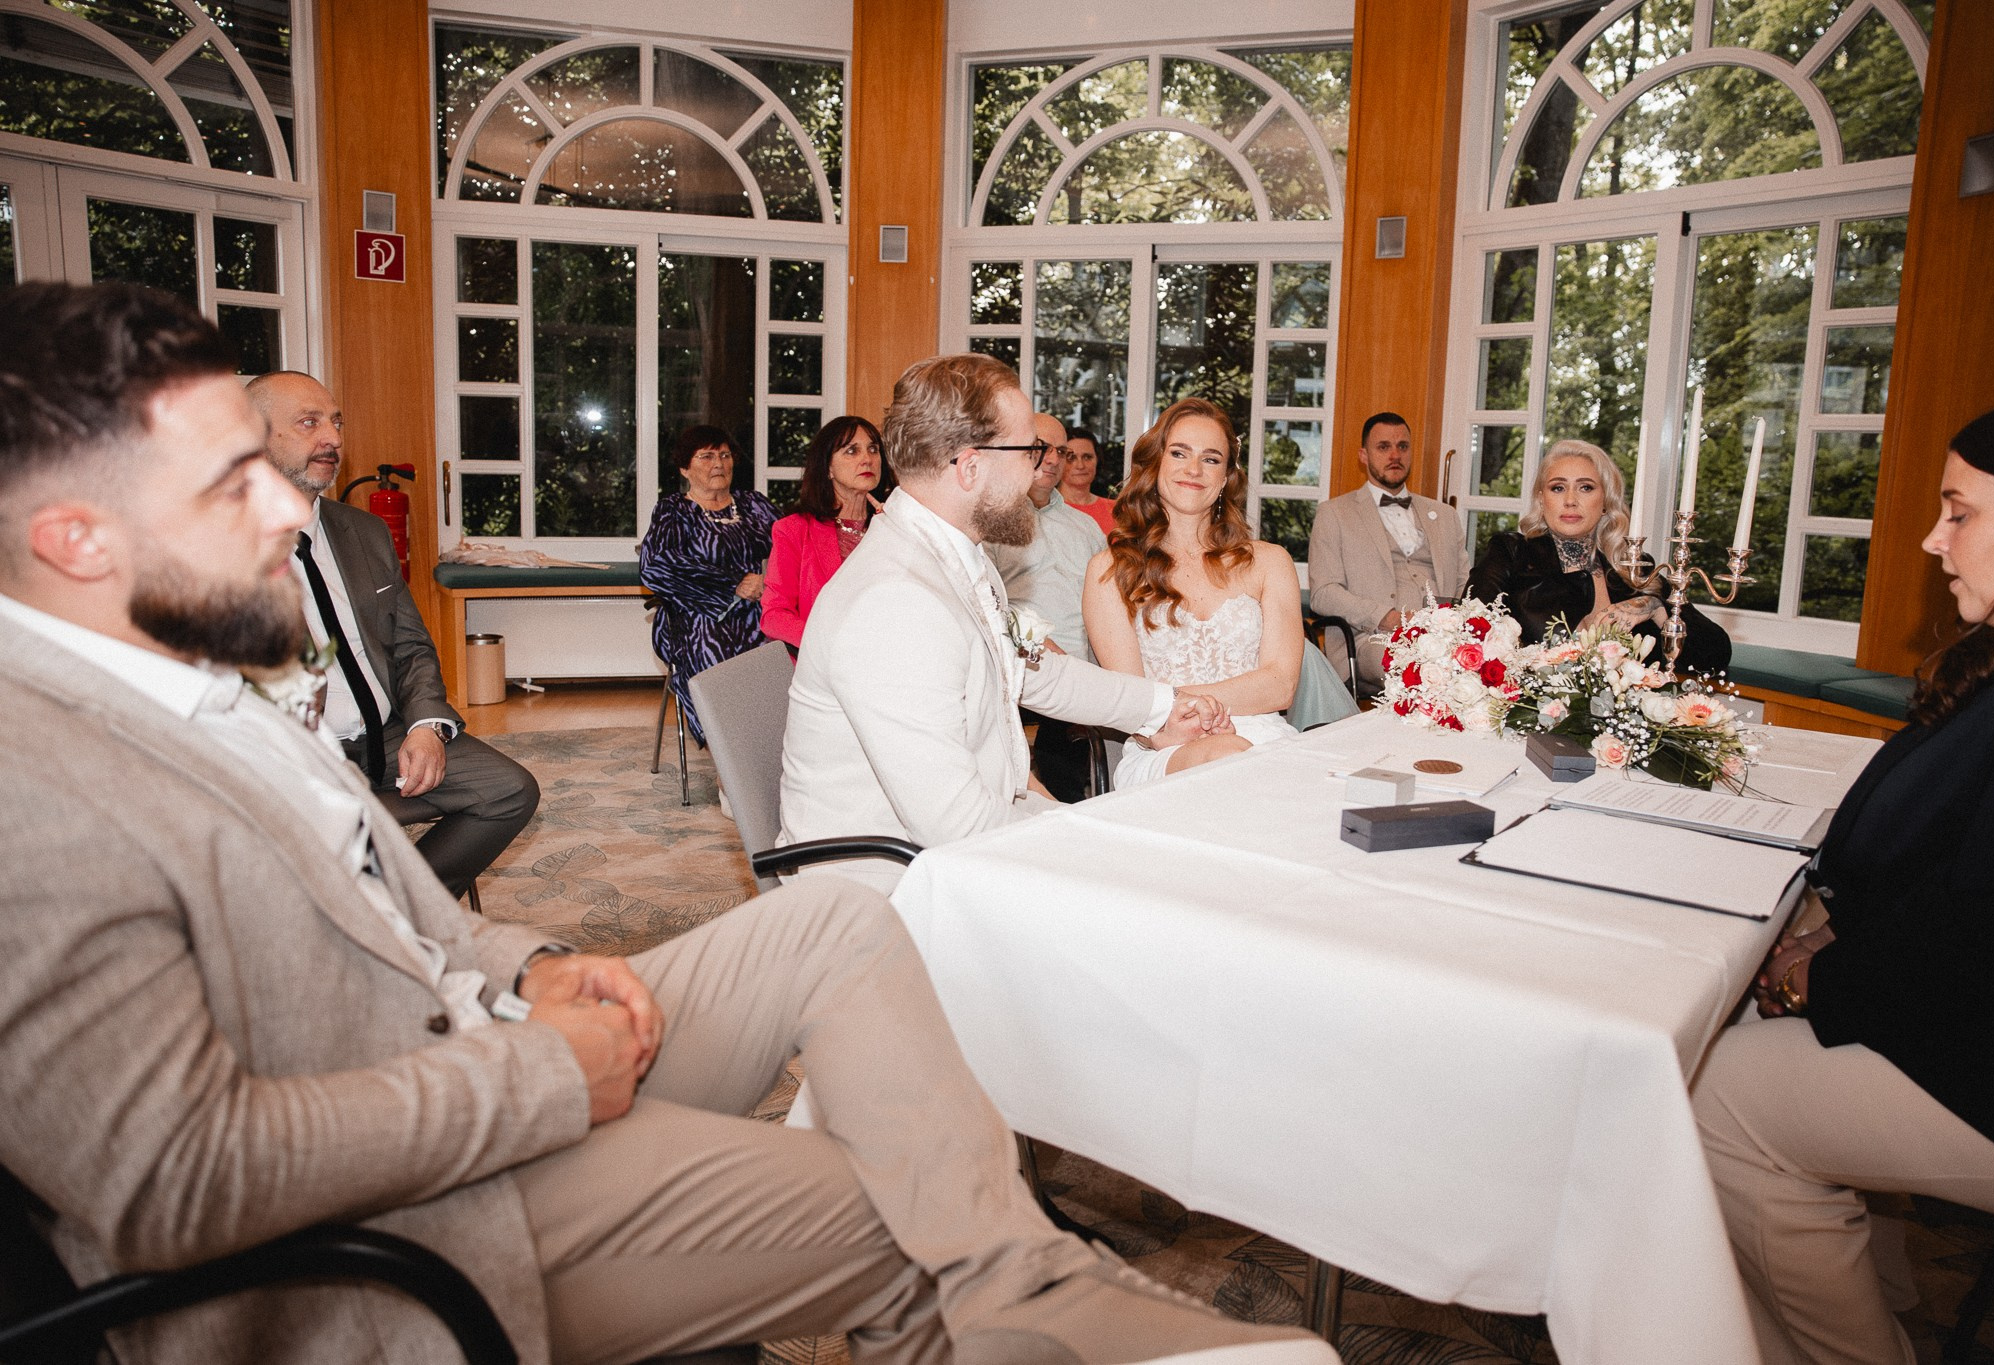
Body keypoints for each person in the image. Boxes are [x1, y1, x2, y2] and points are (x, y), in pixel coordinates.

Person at [0, 283, 1337, 1365]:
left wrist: (522, 965)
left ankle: (1035, 1296)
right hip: (413, 1212)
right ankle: (1043, 1303)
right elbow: (172, 1182)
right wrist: (539, 1069)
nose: (298, 505)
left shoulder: (183, 686)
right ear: (76, 539)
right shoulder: (40, 789)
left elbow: (390, 919)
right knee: (902, 1202)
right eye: (236, 483)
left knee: (827, 929)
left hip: (481, 1037)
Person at [1691, 390, 1994, 1365]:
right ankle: (1885, 1305)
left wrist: (1824, 974)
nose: (1933, 541)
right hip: (1990, 1009)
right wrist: (1832, 933)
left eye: (1959, 511)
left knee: (1710, 1095)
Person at [778, 354, 1233, 889]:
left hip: (948, 846)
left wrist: (1163, 708)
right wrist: (1084, 837)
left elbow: (1038, 670)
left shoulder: (958, 556)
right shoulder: (895, 603)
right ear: (970, 467)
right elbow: (954, 824)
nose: (1042, 466)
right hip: (883, 888)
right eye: (1029, 450)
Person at [245, 370, 540, 895]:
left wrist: (427, 725)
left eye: (335, 422)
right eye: (309, 423)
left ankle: (406, 910)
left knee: (509, 791)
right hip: (298, 756)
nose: (332, 438)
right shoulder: (215, 549)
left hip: (388, 736)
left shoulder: (363, 531)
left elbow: (410, 647)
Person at [1083, 397, 1303, 788]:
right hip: (1163, 745)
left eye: (1211, 458)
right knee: (1232, 759)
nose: (1194, 469)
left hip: (1263, 738)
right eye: (1179, 453)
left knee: (1255, 762)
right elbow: (1129, 701)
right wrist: (1173, 714)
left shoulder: (1271, 562)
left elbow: (1281, 685)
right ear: (1156, 464)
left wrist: (1172, 698)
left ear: (1226, 478)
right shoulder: (1110, 570)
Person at [1465, 438, 1731, 673]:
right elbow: (1465, 636)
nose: (1570, 500)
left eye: (1586, 488)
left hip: (1628, 722)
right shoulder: (1510, 553)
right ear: (1541, 498)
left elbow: (1715, 654)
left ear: (1606, 502)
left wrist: (1654, 607)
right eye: (1558, 488)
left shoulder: (1635, 568)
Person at [988, 411, 1111, 802]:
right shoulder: (991, 522)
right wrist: (1042, 647)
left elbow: (1111, 601)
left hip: (1090, 668)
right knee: (1063, 753)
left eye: (1060, 450)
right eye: (1042, 447)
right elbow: (986, 604)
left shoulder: (1085, 526)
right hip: (1026, 668)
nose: (1055, 459)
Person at [639, 424, 778, 744]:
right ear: (685, 468)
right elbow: (655, 566)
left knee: (790, 648)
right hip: (697, 617)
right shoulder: (672, 511)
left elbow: (792, 545)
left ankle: (769, 743)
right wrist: (733, 583)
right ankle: (731, 749)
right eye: (707, 456)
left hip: (760, 611)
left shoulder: (754, 505)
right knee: (715, 652)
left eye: (725, 455)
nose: (719, 463)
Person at [1307, 411, 1467, 684]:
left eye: (1402, 446)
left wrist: (1462, 626)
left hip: (1442, 635)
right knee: (1410, 665)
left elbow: (1465, 582)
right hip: (1371, 638)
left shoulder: (1444, 515)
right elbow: (1323, 594)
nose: (1395, 455)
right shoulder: (1334, 514)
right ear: (1364, 455)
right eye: (1383, 447)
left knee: (1486, 662)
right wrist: (1386, 617)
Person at [760, 414, 888, 649]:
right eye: (852, 451)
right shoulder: (794, 530)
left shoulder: (895, 525)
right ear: (827, 467)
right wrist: (830, 644)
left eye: (873, 449)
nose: (867, 459)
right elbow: (774, 616)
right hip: (824, 665)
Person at [1060, 425, 1117, 535]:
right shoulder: (1046, 510)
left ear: (1097, 460)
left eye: (1087, 457)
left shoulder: (1117, 510)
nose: (1080, 466)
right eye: (1071, 458)